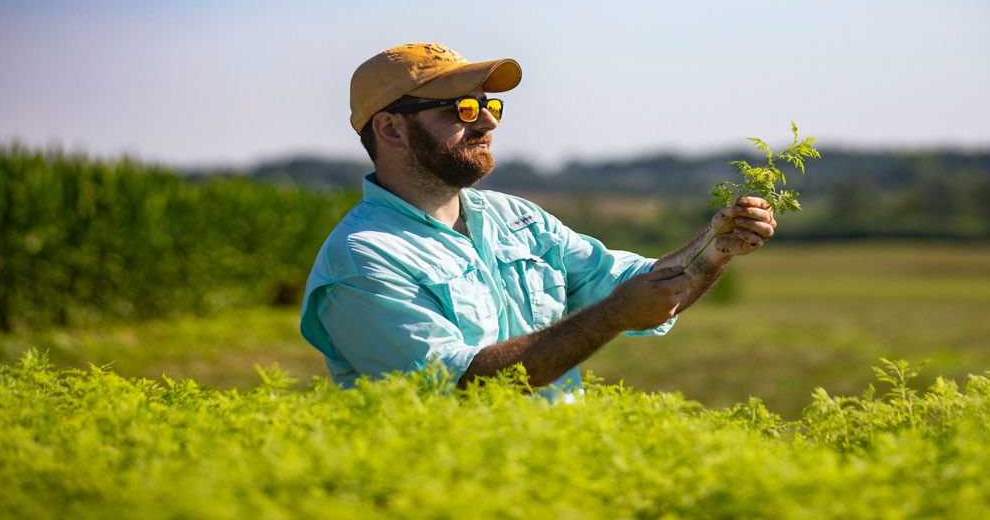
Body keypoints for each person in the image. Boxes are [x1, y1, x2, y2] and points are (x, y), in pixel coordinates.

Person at [299, 43, 777, 394]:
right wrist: (611, 317)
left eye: (489, 105)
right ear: (391, 129)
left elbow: (639, 287)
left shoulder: (516, 218)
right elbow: (462, 386)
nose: (488, 121)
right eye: (462, 108)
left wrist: (715, 248)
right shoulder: (362, 258)